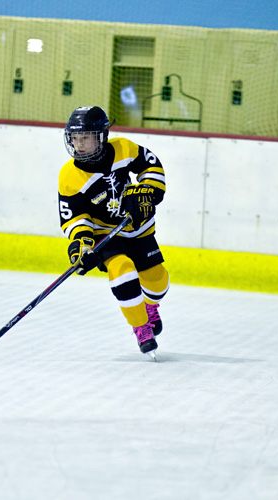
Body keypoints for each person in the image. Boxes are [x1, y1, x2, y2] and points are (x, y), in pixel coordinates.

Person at [58, 106, 169, 358]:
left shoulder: (123, 148)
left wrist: (147, 193)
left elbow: (151, 167)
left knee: (158, 281)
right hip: (104, 234)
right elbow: (74, 217)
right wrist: (82, 245)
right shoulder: (69, 176)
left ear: (102, 135)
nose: (79, 144)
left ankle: (150, 307)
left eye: (85, 137)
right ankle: (141, 327)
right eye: (75, 138)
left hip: (138, 229)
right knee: (121, 271)